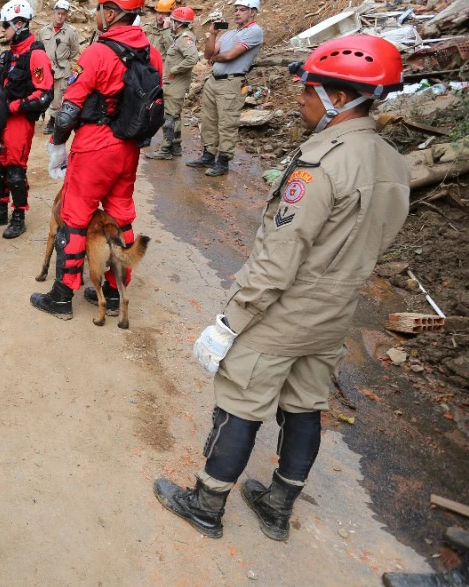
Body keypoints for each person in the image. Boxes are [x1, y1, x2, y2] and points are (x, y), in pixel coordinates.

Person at [154, 35, 408, 542]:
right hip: (337, 309)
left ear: (340, 97)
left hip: (286, 309)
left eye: (309, 90)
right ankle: (277, 505)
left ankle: (206, 503)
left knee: (241, 401)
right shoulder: (391, 160)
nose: (300, 98)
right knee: (305, 403)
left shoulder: (322, 165)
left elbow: (279, 258)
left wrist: (231, 322)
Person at [30, 0, 163, 319]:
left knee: (74, 219)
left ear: (112, 12)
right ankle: (115, 293)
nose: (97, 14)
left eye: (101, 8)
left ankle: (62, 296)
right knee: (120, 216)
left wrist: (57, 146)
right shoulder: (152, 54)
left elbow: (68, 112)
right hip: (128, 149)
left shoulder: (97, 54)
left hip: (94, 148)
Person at [0, 0, 53, 239]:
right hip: (3, 120)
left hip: (19, 121)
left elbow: (44, 95)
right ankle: (0, 210)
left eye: (5, 25)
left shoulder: (36, 55)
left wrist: (16, 106)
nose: (2, 29)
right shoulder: (9, 56)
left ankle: (18, 215)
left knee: (16, 173)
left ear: (19, 24)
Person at [191, 0, 263, 177]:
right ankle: (208, 155)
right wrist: (213, 34)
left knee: (227, 123)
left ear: (253, 12)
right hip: (214, 80)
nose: (237, 13)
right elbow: (208, 53)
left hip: (231, 82)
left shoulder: (254, 31)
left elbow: (230, 55)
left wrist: (213, 59)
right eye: (236, 10)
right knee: (209, 120)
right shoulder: (230, 33)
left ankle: (223, 162)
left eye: (242, 10)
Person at [146, 6, 200, 161]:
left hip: (175, 83)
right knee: (174, 116)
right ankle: (175, 147)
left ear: (177, 22)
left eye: (173, 20)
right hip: (172, 83)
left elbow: (192, 58)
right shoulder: (179, 37)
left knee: (169, 116)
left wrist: (175, 69)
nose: (169, 21)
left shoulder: (184, 38)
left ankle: (166, 148)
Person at [40, 0, 83, 135]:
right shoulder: (43, 31)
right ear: (54, 13)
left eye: (63, 14)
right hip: (45, 69)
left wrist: (67, 64)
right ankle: (42, 113)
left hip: (61, 70)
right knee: (42, 94)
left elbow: (75, 51)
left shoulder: (70, 32)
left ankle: (52, 121)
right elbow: (38, 49)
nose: (60, 16)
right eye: (58, 13)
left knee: (57, 97)